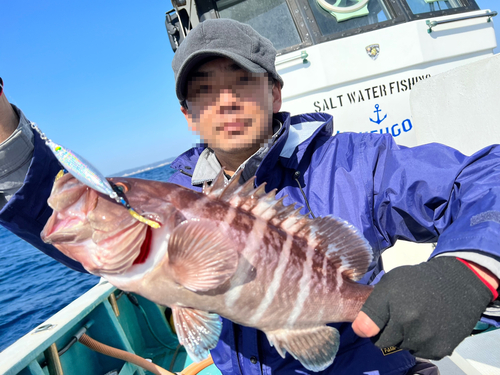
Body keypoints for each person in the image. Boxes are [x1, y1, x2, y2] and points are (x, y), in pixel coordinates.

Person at [1, 19, 499, 375]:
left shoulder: (353, 162)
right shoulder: (178, 192)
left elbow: (484, 177)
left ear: (276, 94)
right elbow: (68, 216)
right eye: (205, 91)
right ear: (188, 115)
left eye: (243, 81)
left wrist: (465, 269)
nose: (227, 101)